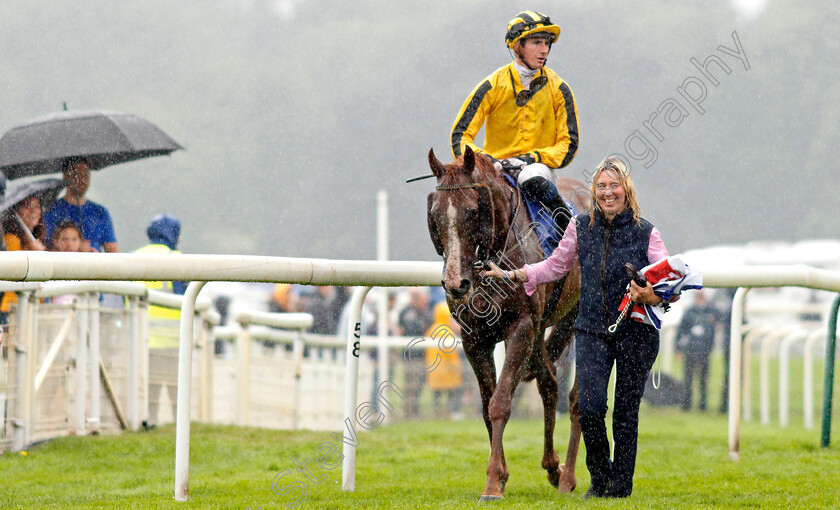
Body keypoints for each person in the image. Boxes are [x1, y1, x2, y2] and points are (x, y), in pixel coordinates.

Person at [484, 156, 673, 498]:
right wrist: (514, 274)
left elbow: (668, 281)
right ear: (595, 191)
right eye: (601, 186)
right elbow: (555, 265)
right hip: (592, 330)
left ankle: (619, 488)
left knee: (625, 413)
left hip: (636, 331)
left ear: (626, 190)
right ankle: (600, 480)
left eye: (614, 186)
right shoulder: (579, 226)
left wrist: (652, 295)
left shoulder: (647, 232)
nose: (607, 192)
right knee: (590, 407)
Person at [450, 10, 579, 235]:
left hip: (537, 170)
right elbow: (460, 135)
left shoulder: (559, 89)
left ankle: (572, 236)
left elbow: (569, 144)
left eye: (547, 43)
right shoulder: (492, 85)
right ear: (517, 45)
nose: (544, 50)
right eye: (536, 42)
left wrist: (533, 157)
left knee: (530, 176)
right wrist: (485, 161)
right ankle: (454, 266)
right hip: (495, 170)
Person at [135, 214, 185, 425]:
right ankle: (178, 427)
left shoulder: (134, 257)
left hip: (142, 337)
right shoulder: (178, 259)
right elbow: (185, 297)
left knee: (150, 390)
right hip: (172, 339)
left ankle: (149, 423)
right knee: (176, 391)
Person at [43, 157, 119, 253]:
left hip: (94, 266)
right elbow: (44, 248)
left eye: (85, 175)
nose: (81, 180)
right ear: (65, 177)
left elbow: (113, 252)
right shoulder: (51, 210)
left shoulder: (100, 212)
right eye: (76, 175)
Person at [0, 194, 48, 322]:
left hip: (31, 308)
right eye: (27, 206)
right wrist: (34, 255)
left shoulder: (37, 242)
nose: (33, 210)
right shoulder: (11, 239)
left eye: (37, 206)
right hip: (10, 311)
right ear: (17, 212)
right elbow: (14, 274)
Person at [677, 290, 718, 411]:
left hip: (704, 352)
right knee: (688, 379)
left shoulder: (709, 312)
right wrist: (678, 349)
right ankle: (686, 405)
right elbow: (680, 331)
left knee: (703, 380)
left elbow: (712, 333)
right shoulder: (689, 312)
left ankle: (702, 405)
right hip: (690, 351)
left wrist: (710, 348)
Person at [397, 287, 433, 418]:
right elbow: (399, 330)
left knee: (418, 386)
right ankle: (409, 412)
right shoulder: (405, 312)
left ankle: (413, 411)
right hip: (409, 356)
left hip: (422, 356)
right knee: (409, 387)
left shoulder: (426, 313)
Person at [424, 302, 464, 419]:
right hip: (448, 371)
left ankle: (437, 414)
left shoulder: (431, 329)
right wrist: (457, 367)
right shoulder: (447, 331)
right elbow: (451, 353)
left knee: (437, 395)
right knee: (453, 394)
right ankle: (454, 412)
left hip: (434, 371)